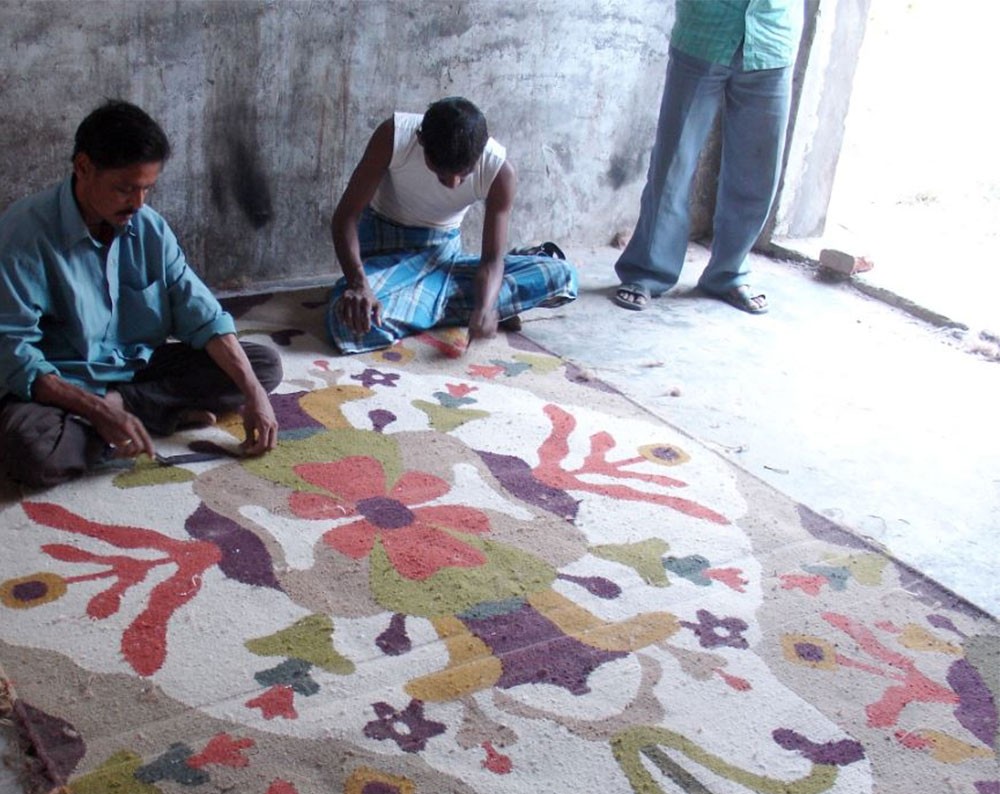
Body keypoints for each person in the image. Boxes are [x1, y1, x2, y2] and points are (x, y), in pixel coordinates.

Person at [0, 100, 283, 489]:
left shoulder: (148, 228)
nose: (137, 203)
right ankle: (138, 414)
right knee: (31, 450)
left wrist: (253, 393)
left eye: (147, 188)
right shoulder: (23, 235)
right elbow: (14, 356)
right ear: (83, 167)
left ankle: (125, 411)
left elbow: (203, 315)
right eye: (124, 189)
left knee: (262, 366)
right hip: (61, 382)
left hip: (134, 370)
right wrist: (94, 408)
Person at [327, 96, 578, 354]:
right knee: (348, 323)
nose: (453, 183)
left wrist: (484, 307)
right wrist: (359, 285)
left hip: (443, 258)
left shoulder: (500, 172)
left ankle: (427, 304)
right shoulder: (394, 136)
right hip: (386, 252)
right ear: (421, 140)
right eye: (442, 173)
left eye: (464, 174)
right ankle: (452, 305)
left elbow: (492, 260)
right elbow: (345, 218)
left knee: (563, 276)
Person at [613, 0, 804, 314]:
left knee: (757, 173)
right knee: (673, 164)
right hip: (705, 29)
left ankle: (729, 274)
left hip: (773, 37)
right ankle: (648, 271)